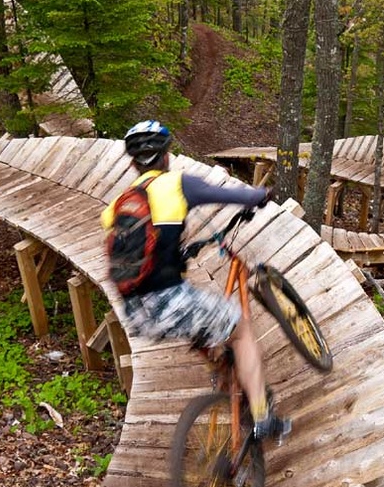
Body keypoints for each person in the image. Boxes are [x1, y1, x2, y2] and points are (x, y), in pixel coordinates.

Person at [101, 119, 290, 441]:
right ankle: (263, 418)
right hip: (169, 300)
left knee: (209, 333)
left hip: (136, 312)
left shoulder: (118, 205)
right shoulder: (177, 184)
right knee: (241, 330)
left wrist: (175, 253)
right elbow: (230, 194)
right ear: (167, 154)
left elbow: (137, 251)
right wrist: (261, 194)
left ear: (132, 163)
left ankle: (228, 381)